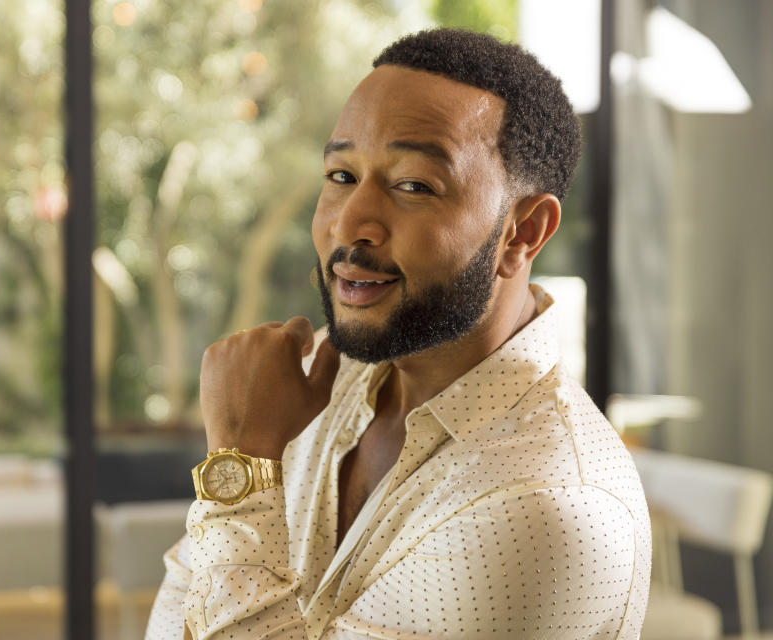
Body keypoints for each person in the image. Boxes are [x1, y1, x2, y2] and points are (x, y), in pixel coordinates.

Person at [146, 28, 651, 640]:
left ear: (523, 232)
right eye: (340, 175)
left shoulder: (545, 504)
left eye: (413, 186)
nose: (349, 222)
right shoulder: (318, 386)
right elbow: (178, 613)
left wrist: (244, 465)